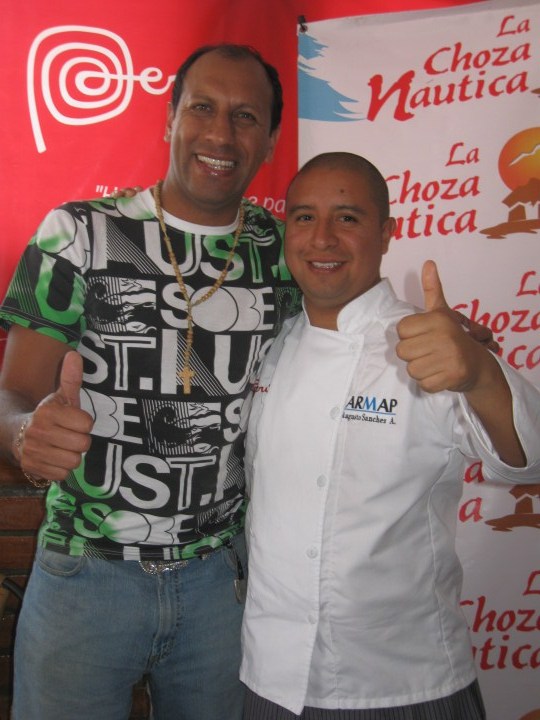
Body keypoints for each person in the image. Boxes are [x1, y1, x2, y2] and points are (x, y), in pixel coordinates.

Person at [0, 44, 302, 720]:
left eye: (245, 116)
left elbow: (360, 325)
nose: (220, 133)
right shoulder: (79, 233)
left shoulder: (282, 251)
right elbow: (11, 391)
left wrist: (441, 336)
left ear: (270, 139)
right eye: (203, 108)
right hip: (86, 576)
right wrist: (22, 432)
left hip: (220, 586)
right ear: (170, 118)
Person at [239, 152, 540, 720]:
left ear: (385, 233)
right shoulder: (270, 344)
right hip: (270, 679)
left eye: (347, 218)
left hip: (407, 683)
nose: (322, 238)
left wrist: (480, 373)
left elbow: (530, 459)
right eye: (304, 217)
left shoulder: (429, 341)